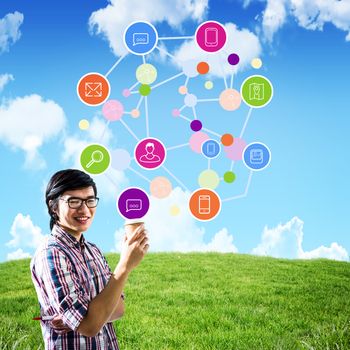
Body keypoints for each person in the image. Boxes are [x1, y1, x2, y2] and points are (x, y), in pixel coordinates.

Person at [30, 169, 149, 349]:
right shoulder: (51, 253)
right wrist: (125, 265)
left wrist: (82, 317)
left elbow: (118, 309)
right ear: (54, 206)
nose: (84, 209)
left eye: (90, 200)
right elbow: (90, 326)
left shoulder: (94, 251)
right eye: (74, 201)